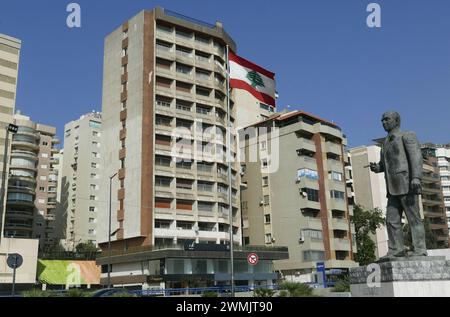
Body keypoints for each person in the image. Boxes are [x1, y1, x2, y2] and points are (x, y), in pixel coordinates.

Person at [369, 111, 427, 259]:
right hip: (392, 187)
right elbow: (385, 165)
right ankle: (396, 250)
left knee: (414, 218)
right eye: (382, 120)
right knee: (391, 220)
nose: (384, 122)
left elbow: (416, 157)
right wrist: (377, 167)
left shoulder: (407, 136)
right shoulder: (385, 143)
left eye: (387, 119)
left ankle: (420, 249)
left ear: (396, 121)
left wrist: (416, 178)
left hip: (408, 184)